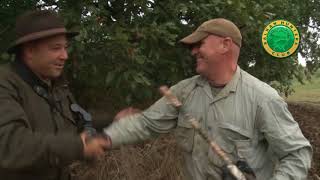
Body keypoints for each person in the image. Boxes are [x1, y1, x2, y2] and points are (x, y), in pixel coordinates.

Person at [103, 18, 312, 180]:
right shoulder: (184, 92)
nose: (193, 52)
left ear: (225, 45)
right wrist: (102, 139)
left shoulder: (263, 99)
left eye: (199, 44)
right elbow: (146, 124)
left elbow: (296, 154)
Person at [0, 10, 109, 180]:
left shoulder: (56, 85)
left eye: (65, 47)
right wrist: (77, 146)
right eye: (56, 48)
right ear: (29, 51)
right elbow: (10, 145)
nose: (65, 56)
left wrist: (115, 120)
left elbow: (79, 121)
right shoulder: (5, 84)